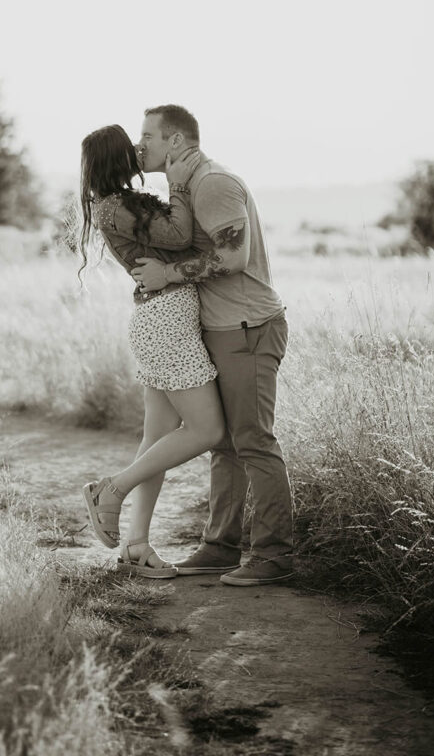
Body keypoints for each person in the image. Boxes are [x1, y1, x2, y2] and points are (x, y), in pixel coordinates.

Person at [131, 105, 293, 586]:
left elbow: (234, 255)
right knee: (224, 443)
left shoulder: (214, 184)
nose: (140, 145)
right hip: (220, 329)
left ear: (176, 141)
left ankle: (274, 556)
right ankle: (221, 546)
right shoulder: (186, 186)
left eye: (148, 135)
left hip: (248, 327)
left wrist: (167, 275)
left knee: (253, 441)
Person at [79, 124, 226, 578]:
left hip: (164, 319)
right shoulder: (115, 207)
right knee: (207, 430)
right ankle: (112, 490)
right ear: (119, 158)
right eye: (133, 146)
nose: (141, 150)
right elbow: (180, 235)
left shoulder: (119, 202)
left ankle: (137, 546)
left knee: (156, 439)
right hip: (166, 323)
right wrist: (178, 183)